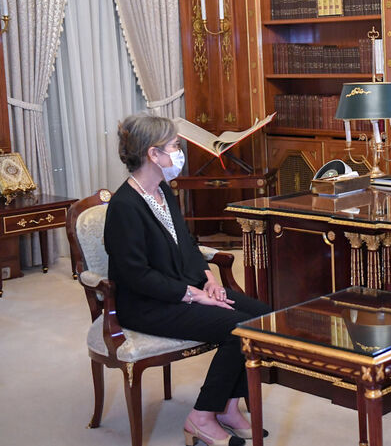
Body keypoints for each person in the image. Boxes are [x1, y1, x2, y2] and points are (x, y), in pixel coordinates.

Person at [104, 114, 272, 446]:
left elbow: (188, 243)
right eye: (174, 147)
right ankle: (202, 417)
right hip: (148, 304)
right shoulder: (124, 206)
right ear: (153, 154)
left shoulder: (163, 191)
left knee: (262, 316)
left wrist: (209, 279)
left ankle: (226, 406)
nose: (179, 153)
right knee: (237, 328)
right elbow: (136, 276)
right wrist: (194, 295)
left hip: (183, 288)